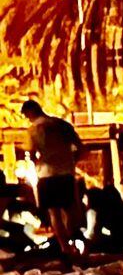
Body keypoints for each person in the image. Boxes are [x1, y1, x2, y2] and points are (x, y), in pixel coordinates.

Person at [22, 99, 84, 256]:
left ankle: (65, 248)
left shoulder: (34, 129)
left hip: (47, 174)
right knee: (70, 210)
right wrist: (72, 161)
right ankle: (73, 242)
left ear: (30, 112)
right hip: (66, 173)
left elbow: (30, 152)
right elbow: (80, 146)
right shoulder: (62, 125)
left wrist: (35, 164)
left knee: (54, 213)